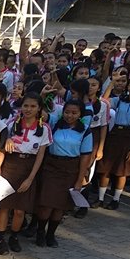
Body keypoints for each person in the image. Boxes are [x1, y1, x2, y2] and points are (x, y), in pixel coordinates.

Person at [0, 93, 50, 254]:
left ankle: (14, 237)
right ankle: (0, 239)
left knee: (19, 210)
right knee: (5, 207)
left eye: (32, 106)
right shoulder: (11, 124)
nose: (28, 109)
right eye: (25, 106)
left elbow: (40, 156)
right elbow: (2, 148)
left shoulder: (44, 128)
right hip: (10, 165)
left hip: (28, 168)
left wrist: (30, 178)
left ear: (39, 108)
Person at [35, 101, 93, 247]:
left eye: (74, 113)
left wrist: (80, 179)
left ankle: (51, 234)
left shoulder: (85, 131)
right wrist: (42, 96)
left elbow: (85, 156)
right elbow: (39, 113)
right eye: (67, 112)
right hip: (52, 167)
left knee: (60, 205)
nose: (70, 116)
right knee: (46, 203)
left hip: (71, 168)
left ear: (80, 114)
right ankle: (40, 232)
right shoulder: (54, 123)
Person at [94, 74, 130, 210]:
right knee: (106, 168)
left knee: (122, 170)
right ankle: (100, 198)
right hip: (115, 134)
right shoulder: (120, 100)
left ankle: (116, 199)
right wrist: (112, 83)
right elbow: (104, 101)